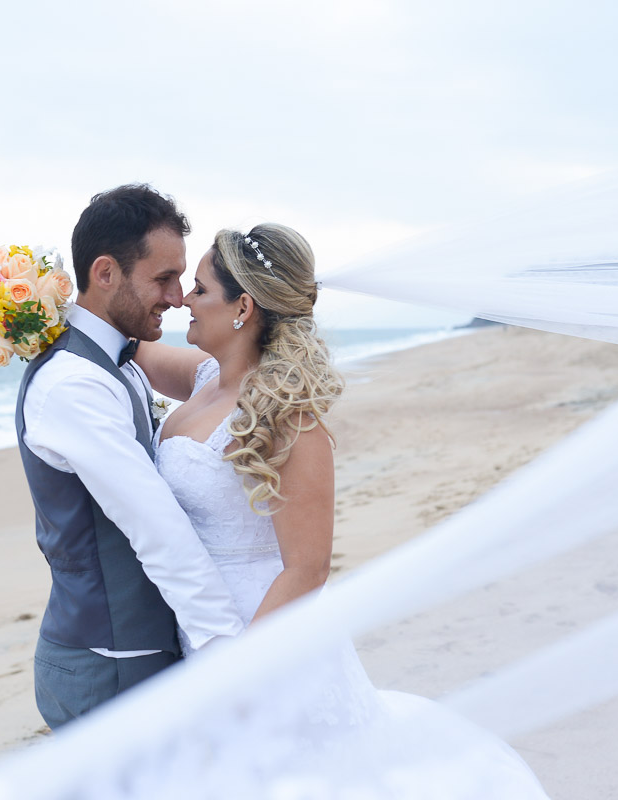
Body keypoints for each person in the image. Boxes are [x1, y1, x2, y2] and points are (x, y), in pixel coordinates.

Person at [135, 223, 552, 795]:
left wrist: (235, 677)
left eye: (200, 289)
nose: (184, 298)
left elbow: (307, 567)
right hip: (201, 619)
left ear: (244, 307)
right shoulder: (206, 377)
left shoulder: (285, 414)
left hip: (265, 639)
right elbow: (129, 348)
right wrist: (39, 309)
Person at [15, 184, 244, 731]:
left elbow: (211, 378)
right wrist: (232, 657)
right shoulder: (74, 384)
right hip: (111, 669)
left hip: (138, 658)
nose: (177, 296)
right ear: (106, 273)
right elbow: (158, 532)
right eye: (163, 279)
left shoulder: (118, 360)